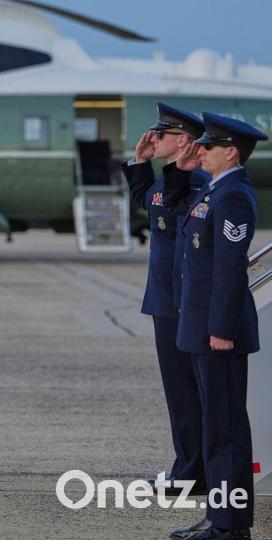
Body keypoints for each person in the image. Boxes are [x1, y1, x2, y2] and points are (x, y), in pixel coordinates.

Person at [166, 113, 267, 540]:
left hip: (217, 331)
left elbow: (229, 268)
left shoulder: (234, 195)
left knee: (225, 429)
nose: (199, 150)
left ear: (231, 151)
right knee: (214, 426)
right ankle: (218, 516)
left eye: (209, 146)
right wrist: (184, 170)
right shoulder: (213, 189)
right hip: (202, 325)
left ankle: (230, 526)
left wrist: (222, 328)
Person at [122, 103, 208, 497]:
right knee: (180, 393)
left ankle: (191, 473)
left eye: (162, 135)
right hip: (165, 301)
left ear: (184, 142)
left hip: (181, 302)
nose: (153, 139)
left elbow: (171, 202)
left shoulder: (194, 183)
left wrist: (172, 171)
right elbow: (149, 203)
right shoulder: (168, 183)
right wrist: (138, 163)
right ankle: (188, 466)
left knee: (188, 392)